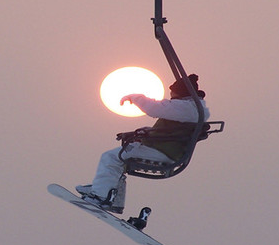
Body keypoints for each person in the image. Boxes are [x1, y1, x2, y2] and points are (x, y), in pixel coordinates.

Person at [76, 73, 210, 216]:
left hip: (162, 152)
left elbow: (154, 108)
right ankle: (105, 191)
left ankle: (101, 196)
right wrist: (147, 132)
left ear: (180, 93)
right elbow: (171, 130)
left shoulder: (185, 108)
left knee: (111, 157)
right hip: (165, 149)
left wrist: (135, 97)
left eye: (173, 93)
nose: (171, 97)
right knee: (118, 157)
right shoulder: (192, 109)